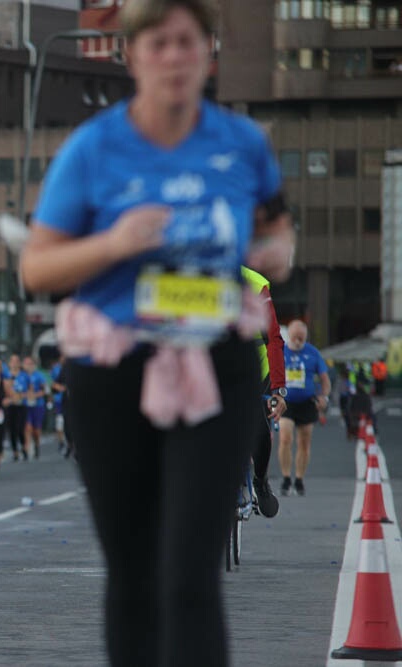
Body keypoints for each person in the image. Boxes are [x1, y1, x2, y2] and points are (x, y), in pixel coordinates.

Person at [18, 1, 295, 664]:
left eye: (187, 42)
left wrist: (273, 251)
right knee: (135, 573)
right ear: (132, 54)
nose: (174, 56)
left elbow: (277, 230)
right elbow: (37, 265)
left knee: (190, 575)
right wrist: (114, 242)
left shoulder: (242, 143)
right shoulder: (93, 148)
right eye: (158, 42)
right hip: (115, 369)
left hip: (217, 363)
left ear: (209, 54)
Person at [241, 265, 286, 518]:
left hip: (256, 369)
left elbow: (274, 338)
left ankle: (260, 480)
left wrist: (279, 389)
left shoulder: (256, 284)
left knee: (259, 427)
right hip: (212, 368)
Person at [278, 319, 330, 497]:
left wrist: (324, 396)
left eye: (301, 337)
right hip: (287, 402)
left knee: (304, 442)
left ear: (305, 337)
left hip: (307, 402)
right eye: (295, 337)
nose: (298, 340)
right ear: (289, 336)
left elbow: (324, 379)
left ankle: (299, 479)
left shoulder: (313, 353)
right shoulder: (281, 351)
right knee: (285, 438)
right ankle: (286, 478)